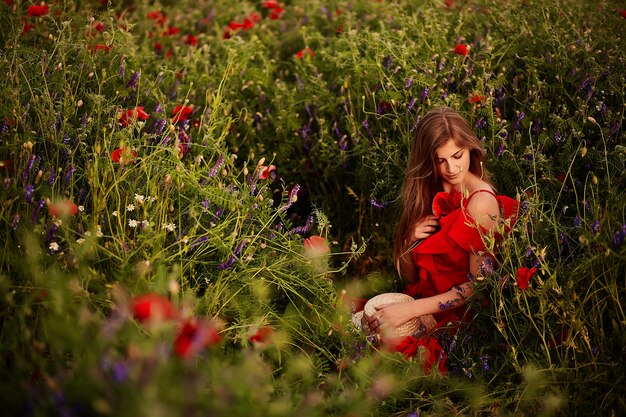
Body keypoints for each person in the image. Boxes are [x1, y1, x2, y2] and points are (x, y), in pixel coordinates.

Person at [362, 106, 518, 372]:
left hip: (457, 316)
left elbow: (477, 287)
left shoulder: (480, 203)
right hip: (420, 302)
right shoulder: (428, 188)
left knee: (384, 361)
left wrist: (409, 311)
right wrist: (409, 241)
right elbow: (410, 278)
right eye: (440, 160)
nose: (451, 168)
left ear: (470, 149)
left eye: (457, 155)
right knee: (365, 331)